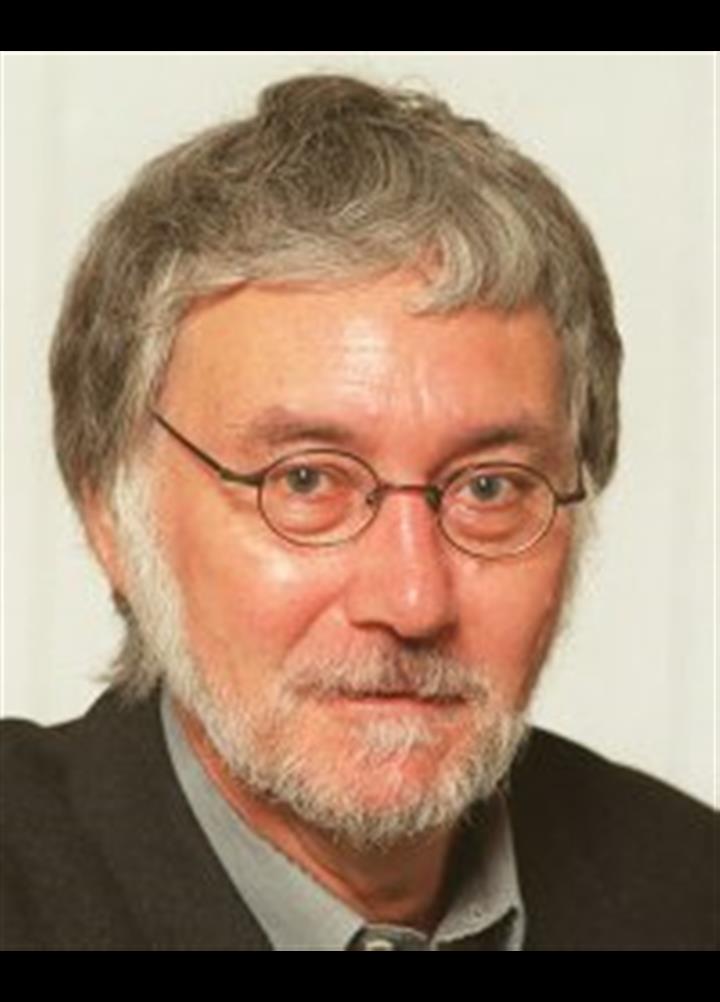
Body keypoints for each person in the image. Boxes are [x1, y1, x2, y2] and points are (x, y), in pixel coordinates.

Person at [1, 74, 715, 952]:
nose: (413, 601)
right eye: (305, 481)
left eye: (489, 488)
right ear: (112, 515)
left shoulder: (695, 892)